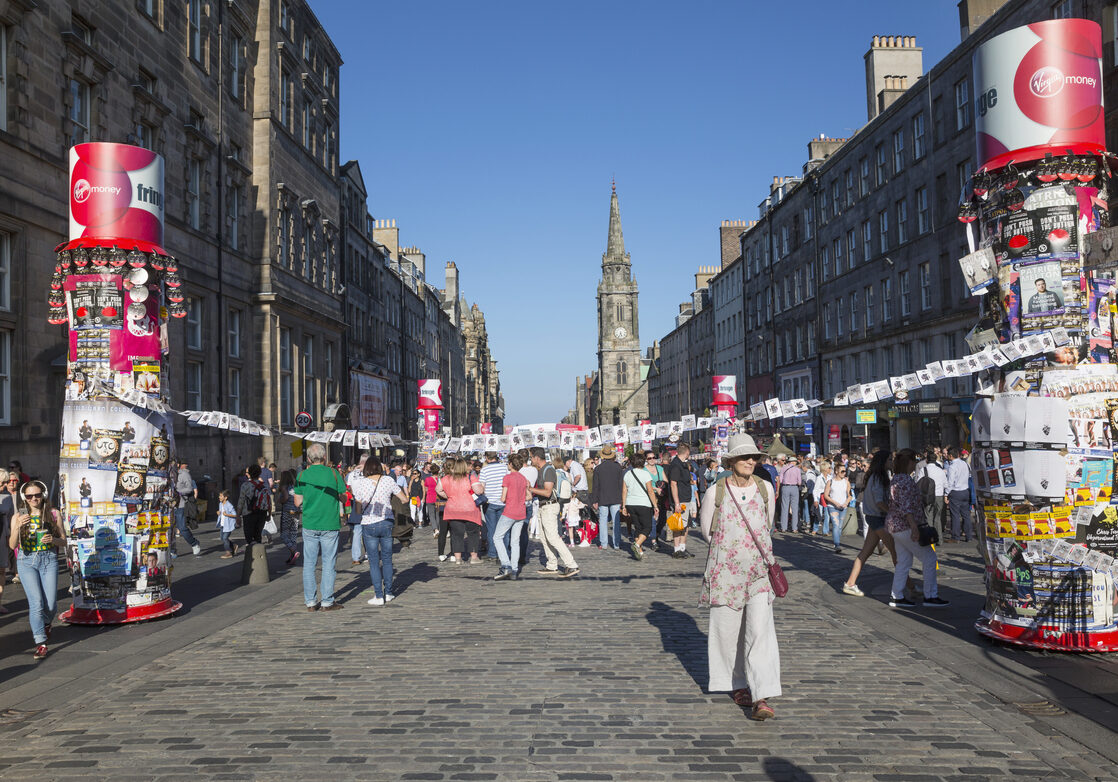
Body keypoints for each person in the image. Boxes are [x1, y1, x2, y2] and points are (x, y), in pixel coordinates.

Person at [699, 433, 781, 721]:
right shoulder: (715, 492)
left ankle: (761, 695)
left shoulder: (765, 489)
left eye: (753, 457)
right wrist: (729, 550)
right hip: (726, 572)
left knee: (761, 632)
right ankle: (737, 685)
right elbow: (706, 530)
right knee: (728, 632)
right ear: (731, 461)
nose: (750, 461)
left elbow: (768, 524)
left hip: (759, 571)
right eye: (744, 457)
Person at [8, 481, 66, 660]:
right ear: (24, 498)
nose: (34, 499)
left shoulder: (54, 514)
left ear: (44, 495)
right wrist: (18, 526)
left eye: (37, 495)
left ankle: (47, 623)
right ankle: (40, 642)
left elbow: (63, 540)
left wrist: (53, 540)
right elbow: (12, 545)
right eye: (29, 496)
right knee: (36, 603)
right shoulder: (18, 516)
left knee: (50, 604)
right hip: (26, 561)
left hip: (48, 559)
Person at [886, 449, 949, 608]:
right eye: (914, 461)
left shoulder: (896, 479)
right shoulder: (905, 481)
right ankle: (930, 596)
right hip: (906, 526)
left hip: (895, 526)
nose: (915, 464)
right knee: (929, 558)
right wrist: (914, 527)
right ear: (909, 463)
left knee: (904, 562)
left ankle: (897, 595)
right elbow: (907, 507)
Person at [293, 443, 347, 611]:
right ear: (324, 458)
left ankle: (310, 602)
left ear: (308, 458)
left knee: (309, 563)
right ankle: (327, 601)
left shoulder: (302, 476)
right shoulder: (334, 473)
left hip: (310, 523)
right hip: (330, 523)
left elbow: (297, 502)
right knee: (329, 563)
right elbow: (344, 498)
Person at [349, 456, 410, 605]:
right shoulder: (388, 480)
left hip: (369, 523)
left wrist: (362, 507)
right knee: (387, 559)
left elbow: (357, 508)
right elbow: (404, 499)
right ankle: (388, 592)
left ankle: (378, 595)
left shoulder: (361, 483)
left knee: (374, 561)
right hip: (387, 521)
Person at [841, 450, 898, 596]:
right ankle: (909, 586)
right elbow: (879, 501)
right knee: (895, 553)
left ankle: (850, 583)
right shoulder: (878, 478)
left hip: (874, 517)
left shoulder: (878, 476)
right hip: (877, 518)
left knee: (865, 553)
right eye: (890, 459)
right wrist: (893, 512)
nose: (892, 462)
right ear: (883, 462)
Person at [529, 447, 580, 577]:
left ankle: (571, 564)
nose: (530, 460)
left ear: (537, 458)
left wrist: (530, 489)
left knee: (552, 537)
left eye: (531, 457)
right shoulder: (541, 470)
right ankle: (552, 565)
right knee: (544, 538)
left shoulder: (549, 470)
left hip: (550, 506)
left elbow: (547, 492)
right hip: (543, 506)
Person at [437, 457, 484, 565]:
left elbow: (438, 489)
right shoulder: (470, 477)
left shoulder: (447, 478)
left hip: (453, 509)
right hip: (469, 509)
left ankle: (458, 558)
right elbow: (479, 490)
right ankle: (474, 557)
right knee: (473, 533)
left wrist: (448, 496)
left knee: (456, 534)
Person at [493, 453, 530, 580]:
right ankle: (514, 570)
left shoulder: (507, 478)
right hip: (521, 512)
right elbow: (528, 496)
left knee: (497, 537)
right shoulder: (523, 478)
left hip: (509, 511)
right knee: (515, 542)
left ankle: (506, 565)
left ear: (510, 464)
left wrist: (505, 498)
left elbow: (503, 498)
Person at [620, 451, 656, 560]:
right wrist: (655, 505)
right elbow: (650, 491)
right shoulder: (645, 474)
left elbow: (624, 491)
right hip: (643, 503)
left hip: (631, 503)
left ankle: (639, 551)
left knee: (638, 527)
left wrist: (624, 505)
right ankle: (637, 544)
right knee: (647, 527)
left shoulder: (627, 474)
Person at [590, 444, 624, 550]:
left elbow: (595, 486)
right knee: (616, 521)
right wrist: (622, 499)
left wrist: (594, 500)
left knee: (603, 520)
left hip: (602, 497)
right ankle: (616, 543)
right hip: (616, 497)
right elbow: (621, 484)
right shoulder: (618, 467)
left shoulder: (598, 469)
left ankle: (604, 543)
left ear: (603, 456)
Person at [667, 443, 695, 558]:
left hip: (686, 498)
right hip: (681, 499)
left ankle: (682, 548)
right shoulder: (676, 465)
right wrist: (677, 503)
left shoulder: (683, 464)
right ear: (687, 452)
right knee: (678, 526)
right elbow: (673, 484)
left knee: (685, 525)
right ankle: (677, 549)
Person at [478, 451, 508, 559]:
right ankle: (503, 553)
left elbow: (482, 487)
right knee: (503, 529)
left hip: (489, 502)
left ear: (487, 458)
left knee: (492, 529)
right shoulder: (504, 467)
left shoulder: (484, 470)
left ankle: (492, 553)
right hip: (503, 501)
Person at [915, 449, 947, 543]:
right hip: (939, 495)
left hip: (928, 496)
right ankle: (939, 539)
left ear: (927, 460)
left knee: (928, 517)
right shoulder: (940, 470)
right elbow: (946, 484)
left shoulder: (923, 470)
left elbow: (918, 483)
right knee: (938, 517)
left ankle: (930, 538)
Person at [237, 463, 271, 546]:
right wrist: (269, 514)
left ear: (249, 474)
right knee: (258, 536)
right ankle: (258, 555)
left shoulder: (245, 485)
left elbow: (241, 501)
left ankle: (252, 555)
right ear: (259, 473)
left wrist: (238, 516)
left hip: (248, 514)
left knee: (249, 538)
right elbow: (268, 501)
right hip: (261, 513)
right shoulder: (263, 486)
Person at [173, 461, 202, 556]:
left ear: (177, 465)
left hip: (180, 504)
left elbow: (190, 489)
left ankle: (194, 543)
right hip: (168, 506)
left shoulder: (184, 474)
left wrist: (177, 492)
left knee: (182, 528)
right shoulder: (167, 474)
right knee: (168, 529)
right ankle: (172, 550)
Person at [944, 447, 973, 542]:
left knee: (955, 515)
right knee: (966, 515)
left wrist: (946, 494)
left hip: (956, 492)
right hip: (965, 490)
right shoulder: (965, 463)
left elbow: (950, 481)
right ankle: (969, 536)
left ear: (951, 456)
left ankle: (955, 537)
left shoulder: (952, 466)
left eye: (948, 455)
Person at [823, 464, 851, 553]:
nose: (844, 473)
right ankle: (837, 544)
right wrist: (835, 503)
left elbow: (850, 495)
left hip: (843, 506)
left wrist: (846, 503)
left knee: (839, 527)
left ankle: (836, 541)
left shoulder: (846, 482)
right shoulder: (830, 482)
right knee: (835, 525)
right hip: (832, 507)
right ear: (836, 472)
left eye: (845, 471)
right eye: (842, 471)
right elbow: (826, 495)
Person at [0, 470, 17, 613]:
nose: (5, 485)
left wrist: (10, 536)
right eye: (2, 482)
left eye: (6, 482)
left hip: (2, 537)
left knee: (1, 571)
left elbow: (11, 518)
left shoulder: (7, 497)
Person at [278, 469, 301, 565]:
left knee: (283, 535)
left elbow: (285, 498)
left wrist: (281, 501)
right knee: (293, 534)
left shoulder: (284, 487)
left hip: (287, 512)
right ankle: (292, 556)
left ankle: (293, 551)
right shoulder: (295, 486)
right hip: (296, 512)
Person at [777, 455, 802, 534]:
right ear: (794, 462)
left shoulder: (783, 469)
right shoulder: (797, 470)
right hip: (794, 488)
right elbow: (799, 482)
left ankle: (784, 527)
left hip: (785, 487)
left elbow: (780, 480)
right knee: (795, 508)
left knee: (784, 507)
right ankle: (794, 528)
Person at [216, 489, 238, 558]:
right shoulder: (220, 504)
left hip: (228, 525)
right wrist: (218, 513)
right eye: (219, 496)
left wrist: (227, 514)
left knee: (225, 538)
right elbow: (221, 512)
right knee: (222, 538)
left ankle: (228, 553)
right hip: (222, 524)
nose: (219, 497)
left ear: (225, 497)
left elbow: (235, 514)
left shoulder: (229, 505)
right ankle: (234, 546)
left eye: (221, 496)